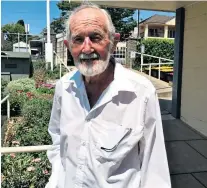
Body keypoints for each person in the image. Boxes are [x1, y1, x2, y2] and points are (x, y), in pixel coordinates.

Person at [46, 3, 171, 188]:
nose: (87, 49)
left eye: (95, 37)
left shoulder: (141, 93)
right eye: (78, 39)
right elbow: (57, 141)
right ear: (68, 46)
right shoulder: (63, 88)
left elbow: (154, 168)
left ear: (113, 42)